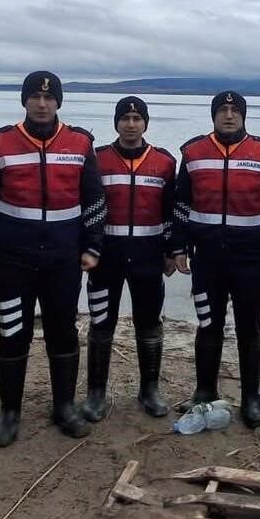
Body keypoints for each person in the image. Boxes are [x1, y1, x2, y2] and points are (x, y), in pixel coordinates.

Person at [0, 71, 105, 446]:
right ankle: (9, 413)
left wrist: (92, 248)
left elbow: (94, 201)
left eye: (49, 98)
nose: (42, 104)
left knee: (63, 333)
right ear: (24, 100)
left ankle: (64, 407)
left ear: (58, 101)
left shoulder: (80, 143)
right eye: (34, 97)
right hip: (13, 261)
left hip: (63, 262)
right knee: (13, 333)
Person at [171, 90, 260, 428]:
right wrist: (178, 247)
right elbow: (180, 204)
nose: (229, 115)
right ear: (213, 115)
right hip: (207, 259)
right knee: (208, 326)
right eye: (222, 110)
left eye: (235, 110)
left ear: (243, 115)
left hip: (250, 259)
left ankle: (251, 398)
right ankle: (204, 391)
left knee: (249, 329)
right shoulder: (193, 152)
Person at [80, 96, 176, 421]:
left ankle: (149, 390)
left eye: (137, 118)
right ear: (116, 123)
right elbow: (85, 207)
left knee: (149, 324)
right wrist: (85, 248)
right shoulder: (97, 159)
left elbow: (170, 211)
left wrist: (171, 250)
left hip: (148, 258)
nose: (131, 124)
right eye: (125, 118)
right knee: (101, 323)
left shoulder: (164, 161)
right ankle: (95, 394)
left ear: (145, 123)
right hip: (105, 258)